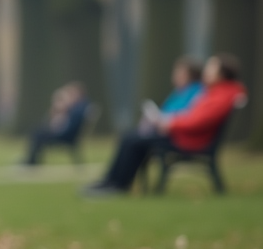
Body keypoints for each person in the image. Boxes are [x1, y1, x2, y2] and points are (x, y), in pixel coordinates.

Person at [84, 54, 246, 195]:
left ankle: (117, 184)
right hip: (183, 135)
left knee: (132, 140)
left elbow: (197, 121)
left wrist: (170, 123)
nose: (206, 72)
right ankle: (113, 181)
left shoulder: (222, 95)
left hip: (188, 140)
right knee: (132, 138)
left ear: (222, 74)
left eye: (211, 68)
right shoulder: (215, 92)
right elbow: (193, 116)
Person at [23, 82, 91, 166]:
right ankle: (31, 160)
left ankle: (31, 161)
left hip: (66, 136)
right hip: (66, 134)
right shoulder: (77, 107)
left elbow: (69, 126)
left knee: (38, 134)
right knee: (37, 131)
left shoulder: (78, 108)